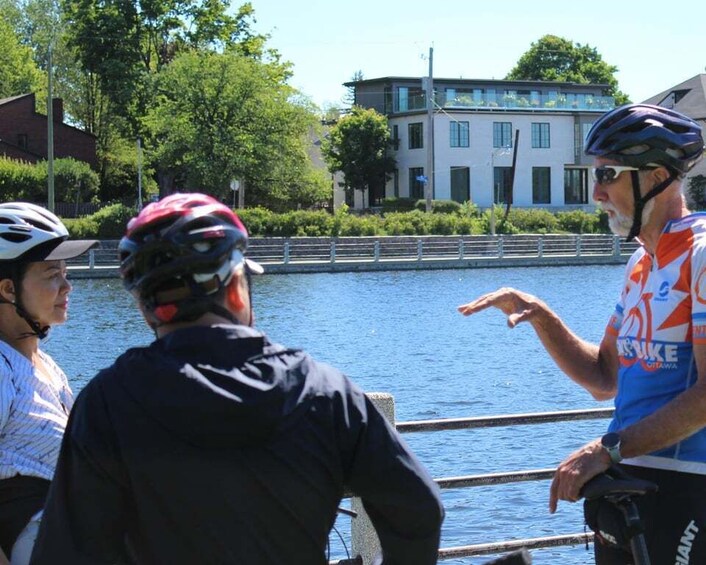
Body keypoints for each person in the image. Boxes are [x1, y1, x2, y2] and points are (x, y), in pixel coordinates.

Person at [30, 193, 444, 565]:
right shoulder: (325, 392)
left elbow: (67, 553)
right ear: (235, 290)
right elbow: (419, 510)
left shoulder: (109, 402)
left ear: (147, 308)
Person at [458, 104, 706, 563]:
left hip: (689, 486)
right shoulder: (641, 264)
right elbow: (603, 377)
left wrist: (604, 450)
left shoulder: (701, 255)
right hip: (629, 487)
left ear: (653, 177)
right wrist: (543, 316)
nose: (596, 193)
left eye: (608, 174)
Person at [0, 202, 97, 564]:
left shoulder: (44, 366)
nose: (67, 285)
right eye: (52, 273)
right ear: (9, 289)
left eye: (65, 271)